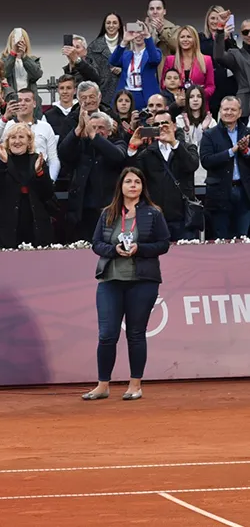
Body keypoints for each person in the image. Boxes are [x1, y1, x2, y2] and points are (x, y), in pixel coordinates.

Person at [84, 167, 170, 402]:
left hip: (143, 281)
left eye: (137, 182)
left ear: (143, 187)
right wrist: (115, 250)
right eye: (128, 182)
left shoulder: (153, 213)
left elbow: (164, 244)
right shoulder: (108, 213)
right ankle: (103, 385)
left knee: (136, 333)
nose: (133, 185)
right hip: (110, 280)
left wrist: (139, 249)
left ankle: (135, 385)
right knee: (107, 335)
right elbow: (96, 244)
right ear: (120, 186)